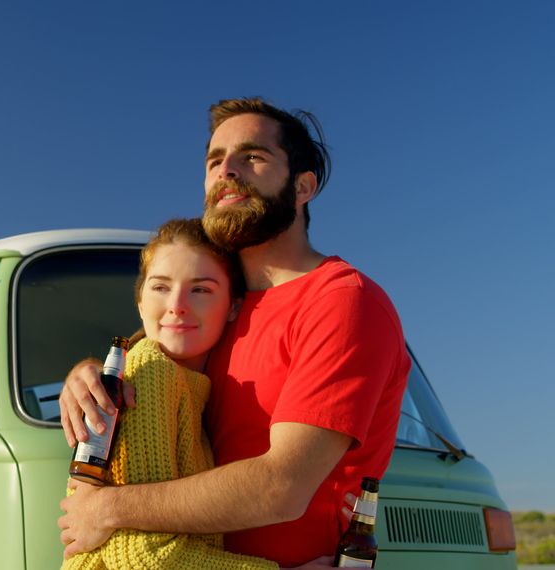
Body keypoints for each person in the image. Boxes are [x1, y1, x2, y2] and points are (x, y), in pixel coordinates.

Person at [57, 97, 410, 568]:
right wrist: (85, 373)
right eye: (215, 160)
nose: (227, 170)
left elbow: (281, 487)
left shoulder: (341, 300)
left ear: (303, 186)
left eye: (253, 157)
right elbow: (148, 358)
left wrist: (107, 509)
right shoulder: (219, 306)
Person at [63, 218, 275, 570]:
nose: (177, 305)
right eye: (161, 287)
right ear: (141, 302)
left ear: (234, 307)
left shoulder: (193, 388)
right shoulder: (151, 372)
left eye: (201, 289)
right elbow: (145, 558)